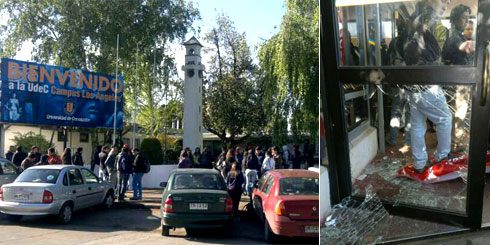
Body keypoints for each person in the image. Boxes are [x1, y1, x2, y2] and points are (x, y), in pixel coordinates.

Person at [403, 0, 455, 173]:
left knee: (417, 124)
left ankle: (419, 163)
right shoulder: (421, 33)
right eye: (443, 1)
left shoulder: (410, 31)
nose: (446, 4)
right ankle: (442, 156)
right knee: (445, 119)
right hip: (426, 86)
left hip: (412, 88)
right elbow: (432, 55)